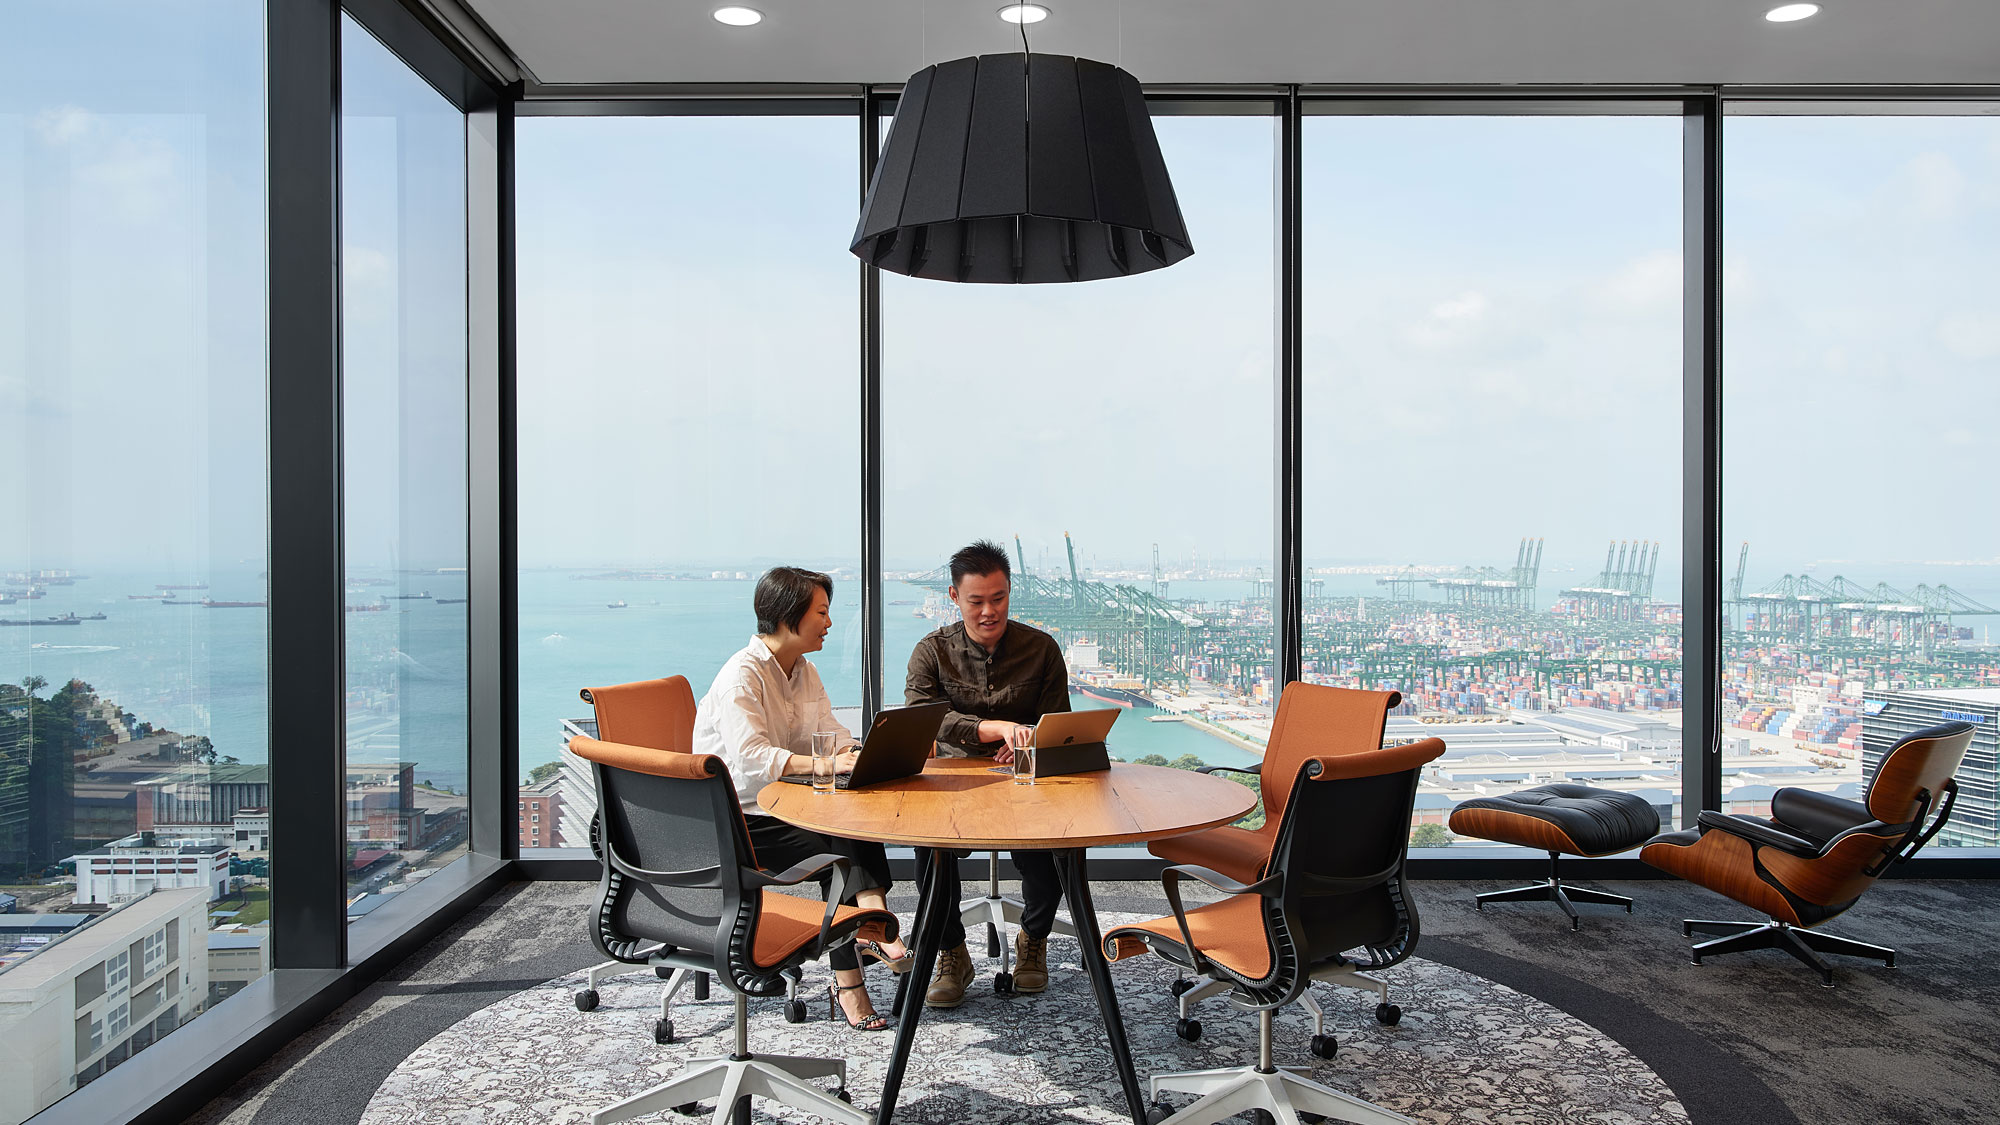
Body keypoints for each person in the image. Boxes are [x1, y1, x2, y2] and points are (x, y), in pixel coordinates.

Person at [691, 566, 912, 1031]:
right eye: (822, 612)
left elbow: (829, 732)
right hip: (739, 823)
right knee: (839, 842)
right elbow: (752, 761)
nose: (829, 623)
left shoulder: (803, 671)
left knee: (850, 821)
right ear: (789, 616)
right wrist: (828, 765)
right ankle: (865, 941)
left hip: (782, 807)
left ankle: (869, 927)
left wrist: (856, 752)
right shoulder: (741, 678)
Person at [905, 539, 1070, 1008]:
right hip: (952, 780)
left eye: (998, 598)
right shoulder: (932, 651)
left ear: (1010, 592)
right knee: (930, 854)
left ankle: (1032, 938)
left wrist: (1029, 741)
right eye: (976, 601)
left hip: (1022, 779)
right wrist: (991, 728)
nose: (988, 611)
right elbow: (922, 715)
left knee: (1052, 851)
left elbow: (1057, 722)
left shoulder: (1041, 650)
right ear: (954, 597)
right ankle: (951, 950)